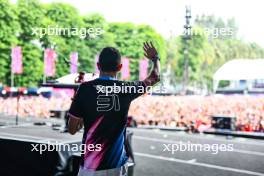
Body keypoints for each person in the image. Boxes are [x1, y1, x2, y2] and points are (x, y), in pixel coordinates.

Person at [68, 41, 160, 176]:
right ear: (120, 67)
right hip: (115, 167)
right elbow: (155, 77)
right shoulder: (126, 88)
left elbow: (71, 129)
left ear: (98, 66)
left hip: (89, 165)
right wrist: (155, 58)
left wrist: (83, 114)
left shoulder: (84, 89)